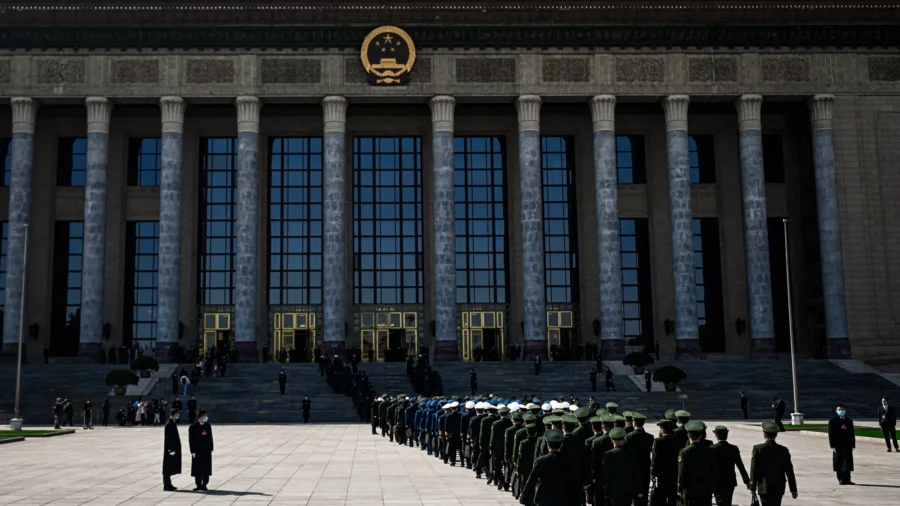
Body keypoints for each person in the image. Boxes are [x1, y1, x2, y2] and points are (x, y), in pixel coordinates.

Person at [519, 429, 580, 506]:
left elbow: (532, 480)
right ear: (561, 445)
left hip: (544, 498)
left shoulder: (540, 461)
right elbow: (575, 481)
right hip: (563, 498)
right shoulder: (569, 461)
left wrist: (524, 497)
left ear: (547, 445)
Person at [750, 421, 797, 506]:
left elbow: (754, 469)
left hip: (764, 486)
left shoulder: (758, 449)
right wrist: (793, 489)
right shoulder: (783, 450)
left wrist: (752, 487)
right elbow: (789, 471)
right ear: (776, 435)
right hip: (778, 487)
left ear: (764, 434)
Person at [677, 421, 716, 506]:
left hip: (690, 489)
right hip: (705, 489)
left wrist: (679, 489)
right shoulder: (709, 451)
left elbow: (682, 472)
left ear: (688, 436)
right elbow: (713, 470)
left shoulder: (684, 452)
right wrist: (713, 486)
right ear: (700, 436)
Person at [603, 427, 643, 506]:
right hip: (628, 490)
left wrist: (606, 491)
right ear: (624, 440)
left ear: (611, 440)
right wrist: (639, 490)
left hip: (614, 491)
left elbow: (606, 475)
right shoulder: (631, 454)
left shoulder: (608, 455)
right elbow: (636, 473)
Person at [710, 425, 749, 506]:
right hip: (730, 481)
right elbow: (740, 466)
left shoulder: (712, 449)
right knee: (728, 501)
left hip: (717, 481)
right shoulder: (733, 448)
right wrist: (747, 481)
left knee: (720, 502)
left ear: (716, 436)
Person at [651, 419, 679, 506]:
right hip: (674, 473)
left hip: (661, 474)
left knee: (661, 498)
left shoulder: (658, 441)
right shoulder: (676, 440)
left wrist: (653, 474)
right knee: (672, 497)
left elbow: (655, 459)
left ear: (662, 429)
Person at [828, 404, 855, 485]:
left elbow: (852, 433)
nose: (841, 411)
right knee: (839, 461)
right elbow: (831, 434)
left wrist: (853, 444)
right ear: (836, 411)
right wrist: (832, 445)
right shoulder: (833, 421)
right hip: (837, 444)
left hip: (847, 444)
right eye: (839, 409)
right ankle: (840, 479)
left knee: (848, 462)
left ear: (845, 410)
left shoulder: (849, 421)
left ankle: (848, 479)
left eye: (842, 409)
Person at [189, 409, 214, 491]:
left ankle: (205, 484)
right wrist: (192, 451)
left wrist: (211, 447)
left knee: (206, 467)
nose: (206, 417)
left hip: (206, 450)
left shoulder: (207, 426)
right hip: (197, 451)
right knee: (198, 468)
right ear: (200, 417)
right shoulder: (193, 427)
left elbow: (210, 437)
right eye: (204, 416)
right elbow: (191, 440)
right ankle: (198, 484)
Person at [163, 408, 182, 491]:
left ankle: (169, 484)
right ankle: (166, 485)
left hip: (173, 448)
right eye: (177, 414)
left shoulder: (172, 423)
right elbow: (168, 438)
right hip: (170, 450)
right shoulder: (169, 424)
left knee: (170, 466)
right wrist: (170, 449)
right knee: (167, 467)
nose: (178, 416)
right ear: (174, 414)